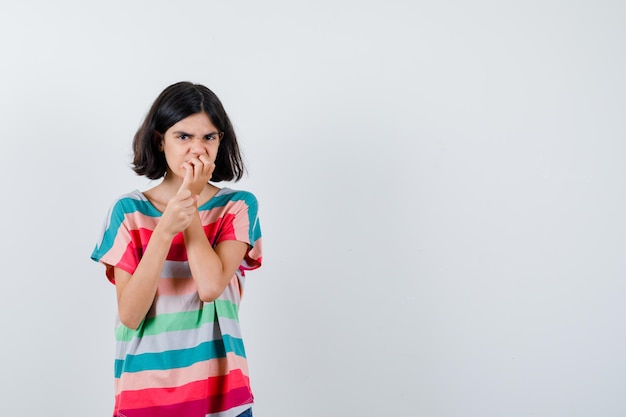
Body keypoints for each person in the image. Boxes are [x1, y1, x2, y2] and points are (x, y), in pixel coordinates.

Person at [91, 81, 262, 417]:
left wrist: (190, 205)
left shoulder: (238, 206)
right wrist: (165, 228)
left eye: (208, 137)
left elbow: (211, 286)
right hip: (145, 391)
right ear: (160, 140)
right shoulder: (128, 211)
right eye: (183, 136)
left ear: (220, 142)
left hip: (219, 391)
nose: (197, 149)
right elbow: (130, 314)